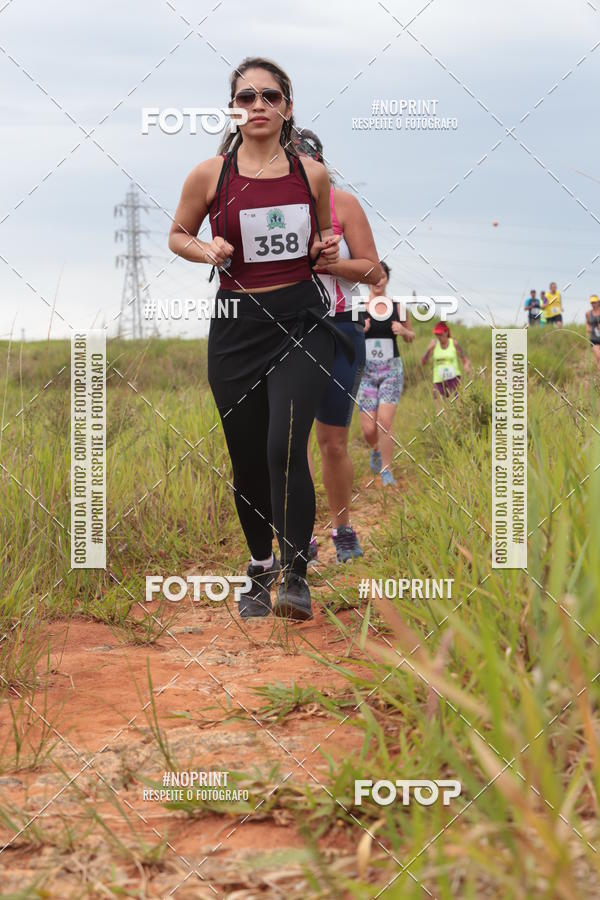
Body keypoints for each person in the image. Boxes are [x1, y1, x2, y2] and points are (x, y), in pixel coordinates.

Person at [168, 56, 353, 622]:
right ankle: (260, 565)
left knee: (284, 446)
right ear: (233, 109)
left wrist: (325, 248)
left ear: (287, 108)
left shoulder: (311, 174)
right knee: (247, 459)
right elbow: (178, 235)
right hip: (237, 326)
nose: (257, 106)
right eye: (246, 98)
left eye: (269, 96)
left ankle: (296, 574)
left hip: (300, 320)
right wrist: (207, 249)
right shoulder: (210, 175)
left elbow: (322, 240)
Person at [293, 129, 382, 563]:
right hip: (286, 330)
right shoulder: (267, 209)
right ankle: (299, 536)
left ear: (320, 164)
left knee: (332, 442)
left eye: (306, 160)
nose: (298, 168)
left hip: (339, 329)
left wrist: (335, 263)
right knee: (292, 443)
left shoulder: (343, 204)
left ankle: (343, 529)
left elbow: (373, 271)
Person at [357, 263, 415, 487]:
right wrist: (359, 330)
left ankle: (387, 470)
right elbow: (349, 338)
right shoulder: (358, 307)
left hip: (391, 370)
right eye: (373, 277)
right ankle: (375, 449)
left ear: (387, 279)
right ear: (367, 281)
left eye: (381, 276)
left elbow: (411, 337)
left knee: (384, 421)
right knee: (368, 429)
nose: (378, 281)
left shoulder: (398, 307)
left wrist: (404, 330)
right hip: (366, 372)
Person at [421, 321, 471, 403]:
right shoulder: (434, 345)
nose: (439, 337)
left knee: (457, 403)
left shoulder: (454, 343)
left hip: (454, 379)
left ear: (446, 332)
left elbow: (465, 360)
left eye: (440, 334)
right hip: (438, 380)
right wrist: (429, 349)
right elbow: (423, 362)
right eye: (437, 334)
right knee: (439, 406)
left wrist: (467, 366)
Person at [585, 294, 600, 370]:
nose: (593, 304)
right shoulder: (588, 313)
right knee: (598, 356)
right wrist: (588, 329)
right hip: (594, 338)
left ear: (598, 302)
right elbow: (588, 323)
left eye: (594, 302)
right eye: (592, 303)